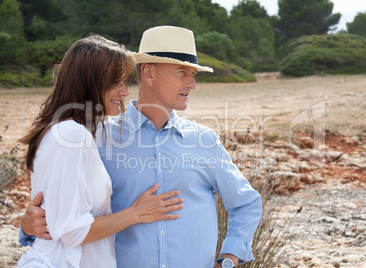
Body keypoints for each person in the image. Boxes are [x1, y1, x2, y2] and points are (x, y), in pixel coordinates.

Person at [20, 26, 262, 268]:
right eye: (182, 73)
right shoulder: (96, 138)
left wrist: (228, 259)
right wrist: (28, 227)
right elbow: (66, 215)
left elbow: (246, 203)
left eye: (194, 74)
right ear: (148, 73)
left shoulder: (204, 142)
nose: (193, 84)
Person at [17, 34, 184, 268]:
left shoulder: (59, 131)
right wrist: (137, 213)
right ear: (90, 82)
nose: (125, 92)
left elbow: (55, 216)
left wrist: (24, 227)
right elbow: (73, 232)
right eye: (116, 82)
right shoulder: (72, 135)